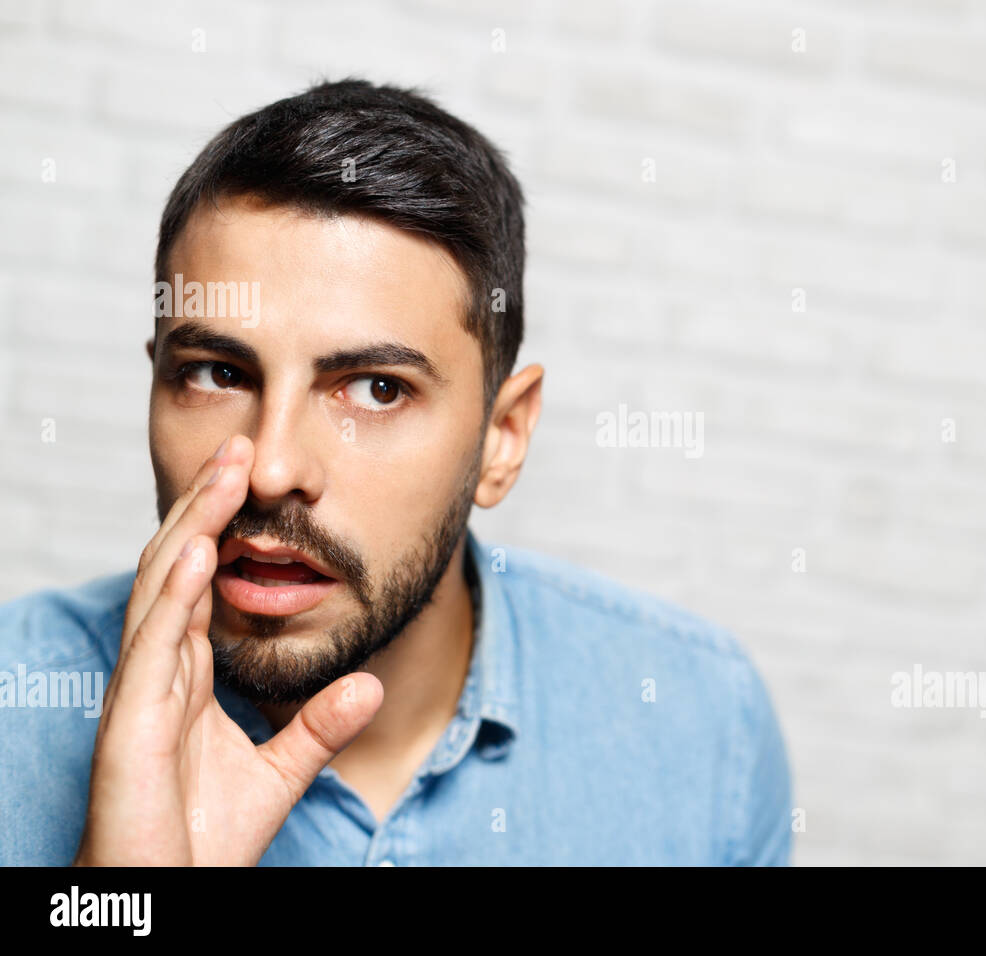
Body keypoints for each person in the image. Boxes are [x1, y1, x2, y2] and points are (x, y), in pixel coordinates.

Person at [0, 79, 793, 866]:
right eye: (216, 375)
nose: (272, 469)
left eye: (378, 389)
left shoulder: (702, 725)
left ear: (502, 437)